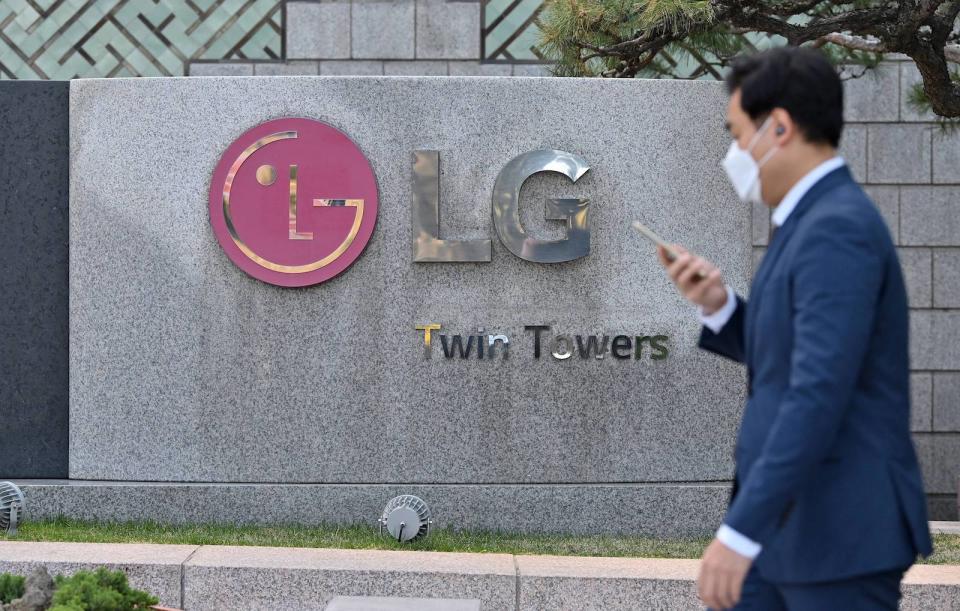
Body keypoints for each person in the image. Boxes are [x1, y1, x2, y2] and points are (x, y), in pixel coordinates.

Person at [658, 47, 933, 610]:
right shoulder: (808, 220)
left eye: (738, 135)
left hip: (836, 533)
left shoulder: (836, 228)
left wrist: (738, 531)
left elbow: (817, 392)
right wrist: (719, 306)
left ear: (778, 126)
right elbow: (791, 356)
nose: (734, 154)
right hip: (789, 529)